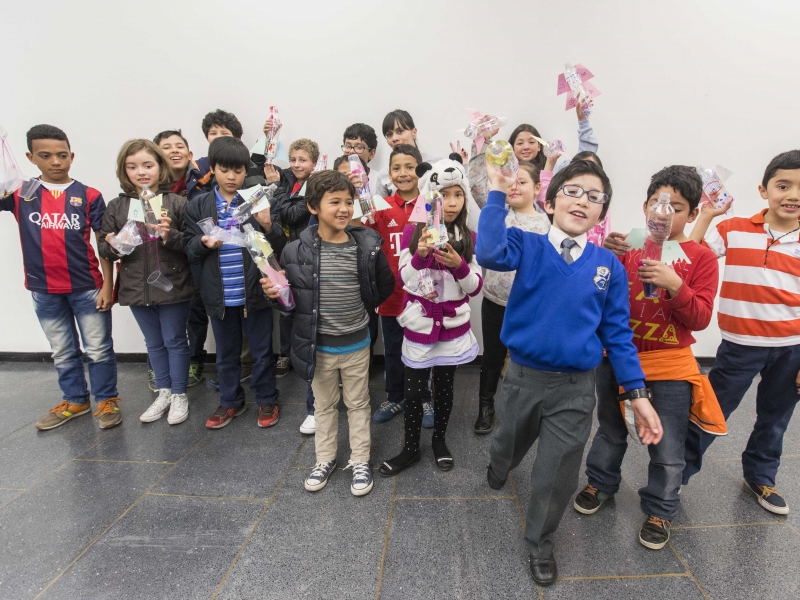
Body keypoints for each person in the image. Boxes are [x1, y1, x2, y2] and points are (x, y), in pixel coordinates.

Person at [477, 159, 663, 586]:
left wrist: (638, 394)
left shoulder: (608, 267)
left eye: (595, 197)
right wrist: (497, 193)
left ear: (602, 213)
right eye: (574, 191)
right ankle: (499, 463)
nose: (583, 201)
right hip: (522, 378)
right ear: (551, 199)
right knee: (508, 443)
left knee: (557, 472)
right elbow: (488, 252)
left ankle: (541, 543)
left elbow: (617, 335)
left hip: (576, 390)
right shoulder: (528, 244)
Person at [574, 166, 719, 550]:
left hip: (670, 365)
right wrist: (602, 256)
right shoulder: (628, 246)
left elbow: (701, 318)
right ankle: (601, 482)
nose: (663, 211)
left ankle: (661, 507)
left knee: (668, 443)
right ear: (645, 206)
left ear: (691, 214)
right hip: (617, 357)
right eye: (657, 202)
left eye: (676, 206)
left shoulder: (701, 257)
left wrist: (675, 285)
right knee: (609, 426)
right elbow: (597, 295)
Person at [679, 150, 800, 515]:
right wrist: (706, 215)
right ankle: (677, 473)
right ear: (764, 190)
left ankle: (761, 475)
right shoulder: (734, 230)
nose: (793, 194)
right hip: (739, 347)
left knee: (775, 418)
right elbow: (688, 257)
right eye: (783, 185)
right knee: (709, 412)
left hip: (792, 349)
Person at [263, 170, 395, 495]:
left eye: (348, 202)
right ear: (313, 207)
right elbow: (293, 305)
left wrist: (365, 311)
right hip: (318, 347)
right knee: (323, 405)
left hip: (357, 343)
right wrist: (278, 295)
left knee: (359, 402)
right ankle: (325, 458)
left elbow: (383, 286)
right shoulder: (295, 252)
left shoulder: (367, 244)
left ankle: (360, 459)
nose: (344, 209)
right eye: (334, 202)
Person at [1, 125, 121, 430]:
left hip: (87, 287)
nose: (55, 162)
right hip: (44, 290)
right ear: (31, 157)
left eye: (62, 155)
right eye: (45, 155)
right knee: (63, 350)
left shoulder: (90, 195)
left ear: (72, 156)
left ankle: (106, 400)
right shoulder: (20, 193)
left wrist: (108, 284)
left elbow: (103, 241)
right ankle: (76, 399)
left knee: (98, 349)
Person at [378, 155, 483, 476]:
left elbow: (476, 285)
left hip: (452, 330)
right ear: (430, 199)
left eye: (457, 194)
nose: (450, 203)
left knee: (446, 389)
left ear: (464, 198)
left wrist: (459, 265)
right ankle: (409, 448)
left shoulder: (468, 236)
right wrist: (421, 255)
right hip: (420, 328)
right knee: (412, 392)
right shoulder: (416, 231)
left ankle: (439, 440)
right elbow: (405, 279)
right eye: (442, 195)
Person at [183, 137, 286, 429]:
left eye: (238, 171)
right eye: (224, 169)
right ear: (212, 169)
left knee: (262, 351)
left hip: (255, 290)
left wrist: (267, 224)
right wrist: (203, 243)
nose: (232, 176)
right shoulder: (199, 206)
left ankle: (267, 399)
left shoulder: (256, 201)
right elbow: (189, 248)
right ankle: (230, 401)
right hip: (219, 294)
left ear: (245, 172)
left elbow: (278, 243)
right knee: (226, 354)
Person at [100, 139, 194, 425]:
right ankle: (163, 392)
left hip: (173, 284)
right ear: (123, 170)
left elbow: (191, 244)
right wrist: (118, 243)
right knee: (153, 343)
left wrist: (169, 235)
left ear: (160, 167)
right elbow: (105, 250)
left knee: (175, 340)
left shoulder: (177, 202)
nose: (141, 172)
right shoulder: (117, 205)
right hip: (134, 286)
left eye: (147, 165)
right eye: (132, 166)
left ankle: (179, 394)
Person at [361, 145, 435, 425]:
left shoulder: (430, 203)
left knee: (424, 348)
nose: (403, 173)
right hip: (391, 294)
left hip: (426, 295)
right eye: (396, 168)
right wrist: (362, 195)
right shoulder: (381, 205)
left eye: (409, 167)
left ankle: (425, 398)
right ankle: (395, 396)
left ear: (420, 170)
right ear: (389, 173)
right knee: (393, 348)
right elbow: (363, 232)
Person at [476, 162, 549, 434]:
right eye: (510, 182)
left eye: (523, 182)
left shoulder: (547, 225)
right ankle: (485, 407)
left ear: (538, 188)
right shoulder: (500, 216)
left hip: (530, 307)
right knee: (492, 359)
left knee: (527, 361)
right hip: (495, 301)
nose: (514, 186)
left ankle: (527, 411)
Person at [265, 138, 320, 388]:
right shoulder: (286, 179)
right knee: (286, 307)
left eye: (303, 160)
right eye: (293, 159)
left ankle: (310, 354)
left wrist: (276, 188)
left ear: (314, 163)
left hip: (305, 255)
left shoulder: (313, 185)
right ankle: (286, 354)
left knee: (308, 307)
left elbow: (291, 213)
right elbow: (261, 166)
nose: (297, 164)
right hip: (281, 252)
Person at [468, 102, 598, 208]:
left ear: (539, 146)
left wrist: (583, 122)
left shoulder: (556, 169)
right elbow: (478, 185)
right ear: (511, 147)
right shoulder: (504, 175)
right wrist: (481, 140)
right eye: (520, 143)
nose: (526, 147)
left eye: (531, 142)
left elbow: (585, 161)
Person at [375, 110, 443, 198]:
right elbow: (380, 210)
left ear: (414, 132)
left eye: (400, 131)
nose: (394, 138)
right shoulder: (384, 175)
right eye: (389, 134)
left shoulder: (438, 164)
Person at [154, 129, 195, 197]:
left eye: (180, 147)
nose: (175, 150)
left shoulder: (202, 179)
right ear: (157, 157)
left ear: (189, 155)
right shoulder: (152, 185)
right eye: (167, 148)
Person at [341, 123, 381, 193]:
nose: (351, 151)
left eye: (359, 147)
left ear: (371, 153)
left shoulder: (379, 180)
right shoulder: (335, 176)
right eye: (347, 146)